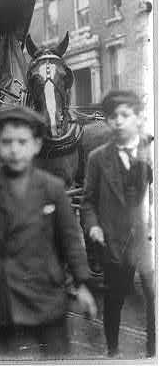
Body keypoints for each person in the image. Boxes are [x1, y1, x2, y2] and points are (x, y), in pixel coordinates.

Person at [0, 107, 97, 358]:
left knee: (55, 355)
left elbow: (70, 241)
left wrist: (82, 284)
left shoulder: (53, 188)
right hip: (3, 294)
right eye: (7, 142)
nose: (14, 150)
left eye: (22, 142)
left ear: (36, 145)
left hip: (46, 292)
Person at [81, 90, 155, 358]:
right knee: (114, 300)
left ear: (139, 118)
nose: (119, 121)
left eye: (126, 115)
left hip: (149, 241)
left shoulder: (152, 151)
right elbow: (87, 201)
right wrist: (93, 227)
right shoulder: (98, 158)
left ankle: (152, 352)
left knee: (153, 298)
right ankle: (112, 351)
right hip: (114, 241)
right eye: (113, 116)